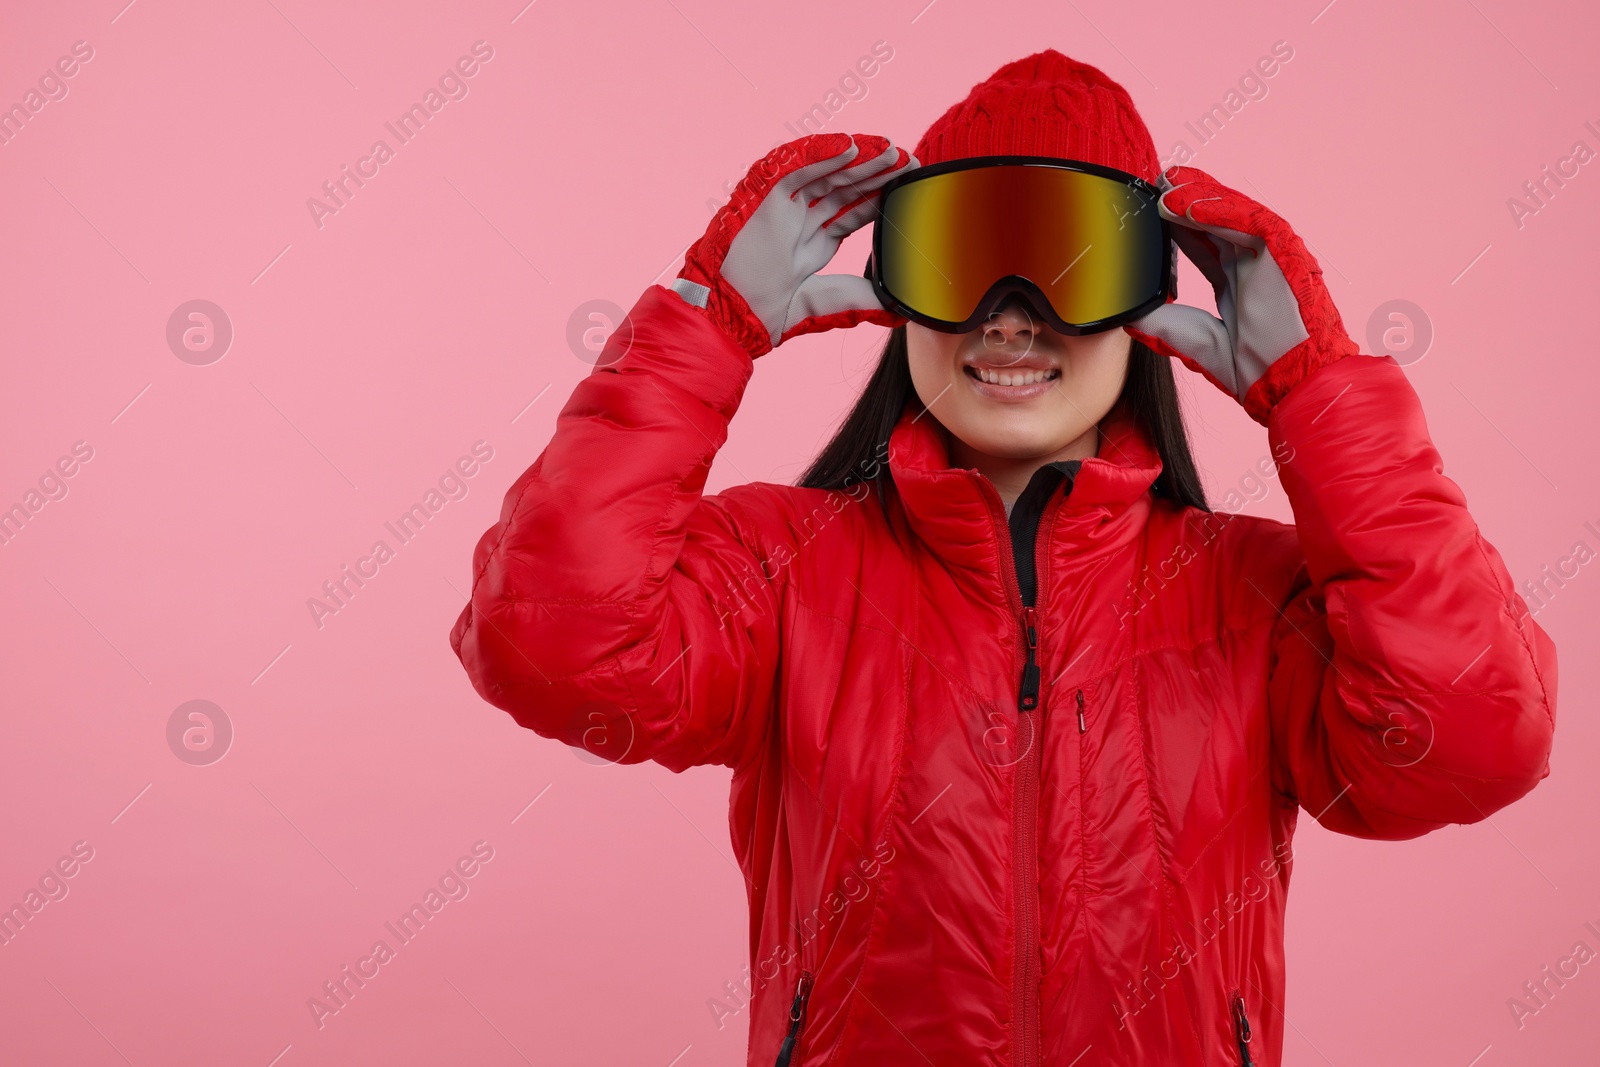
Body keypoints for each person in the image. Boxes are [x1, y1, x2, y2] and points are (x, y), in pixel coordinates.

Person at [449, 50, 1557, 1067]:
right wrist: (707, 322)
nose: (1011, 320)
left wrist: (1321, 398)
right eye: (964, 261)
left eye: (1072, 267)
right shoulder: (783, 567)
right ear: (897, 298)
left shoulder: (1254, 599)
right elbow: (554, 644)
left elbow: (1469, 740)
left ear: (1145, 309)